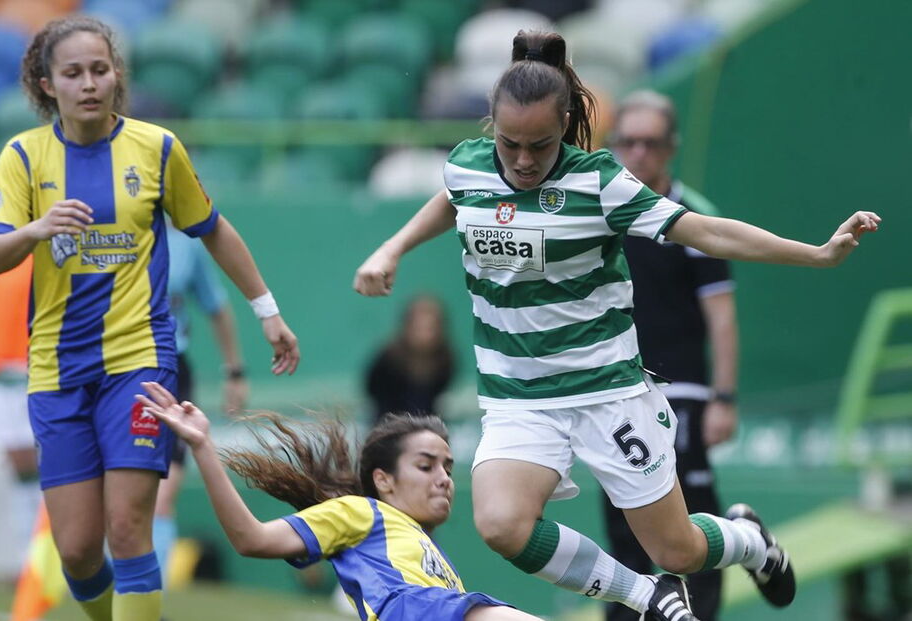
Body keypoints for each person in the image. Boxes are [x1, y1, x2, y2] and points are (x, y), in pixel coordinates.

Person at [354, 29, 879, 620]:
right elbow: (453, 200)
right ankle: (642, 594)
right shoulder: (468, 166)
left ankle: (750, 542)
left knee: (676, 548)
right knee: (501, 524)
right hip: (518, 396)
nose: (524, 160)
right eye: (509, 144)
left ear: (568, 126)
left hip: (608, 393)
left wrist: (814, 252)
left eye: (541, 145)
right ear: (491, 128)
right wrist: (392, 248)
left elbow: (705, 231)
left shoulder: (600, 182)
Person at [0, 16, 299, 621]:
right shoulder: (23, 156)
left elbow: (214, 230)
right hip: (56, 369)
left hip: (140, 361)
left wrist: (267, 311)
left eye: (99, 69)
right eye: (72, 73)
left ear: (116, 74)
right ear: (48, 84)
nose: (89, 84)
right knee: (75, 550)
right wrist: (36, 229)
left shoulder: (157, 149)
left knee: (129, 528)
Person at [136, 380, 545, 621]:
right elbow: (252, 539)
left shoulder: (436, 561)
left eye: (448, 467)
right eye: (426, 466)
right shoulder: (361, 512)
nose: (443, 479)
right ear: (383, 480)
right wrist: (203, 446)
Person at [601, 89, 738, 621]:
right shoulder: (603, 215)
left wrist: (723, 397)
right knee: (621, 513)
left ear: (671, 147)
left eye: (650, 143)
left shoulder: (694, 217)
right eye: (627, 142)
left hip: (681, 388)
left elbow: (721, 317)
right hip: (613, 391)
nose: (638, 154)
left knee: (691, 514)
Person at [153, 221, 249, 582]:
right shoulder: (105, 235)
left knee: (162, 497)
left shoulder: (185, 246)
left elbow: (218, 307)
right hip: (116, 371)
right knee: (118, 496)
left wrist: (235, 372)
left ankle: (150, 602)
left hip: (172, 371)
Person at [0, 257, 39, 560]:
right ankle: (27, 557)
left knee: (38, 464)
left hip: (28, 374)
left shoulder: (40, 260)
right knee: (20, 469)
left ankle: (43, 558)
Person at [366, 295, 455, 425]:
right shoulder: (388, 358)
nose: (425, 336)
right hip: (387, 423)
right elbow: (372, 388)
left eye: (430, 329)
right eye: (419, 328)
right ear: (408, 327)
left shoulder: (445, 359)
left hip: (427, 423)